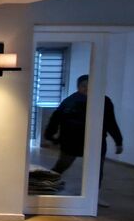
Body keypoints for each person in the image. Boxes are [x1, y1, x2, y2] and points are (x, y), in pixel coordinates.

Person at [44, 74, 123, 204]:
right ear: (78, 87)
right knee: (62, 165)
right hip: (72, 140)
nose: (87, 88)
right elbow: (55, 119)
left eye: (90, 86)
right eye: (84, 86)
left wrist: (118, 141)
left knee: (96, 170)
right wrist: (49, 137)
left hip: (96, 141)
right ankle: (43, 185)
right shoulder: (70, 101)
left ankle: (93, 197)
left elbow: (111, 122)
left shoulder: (105, 101)